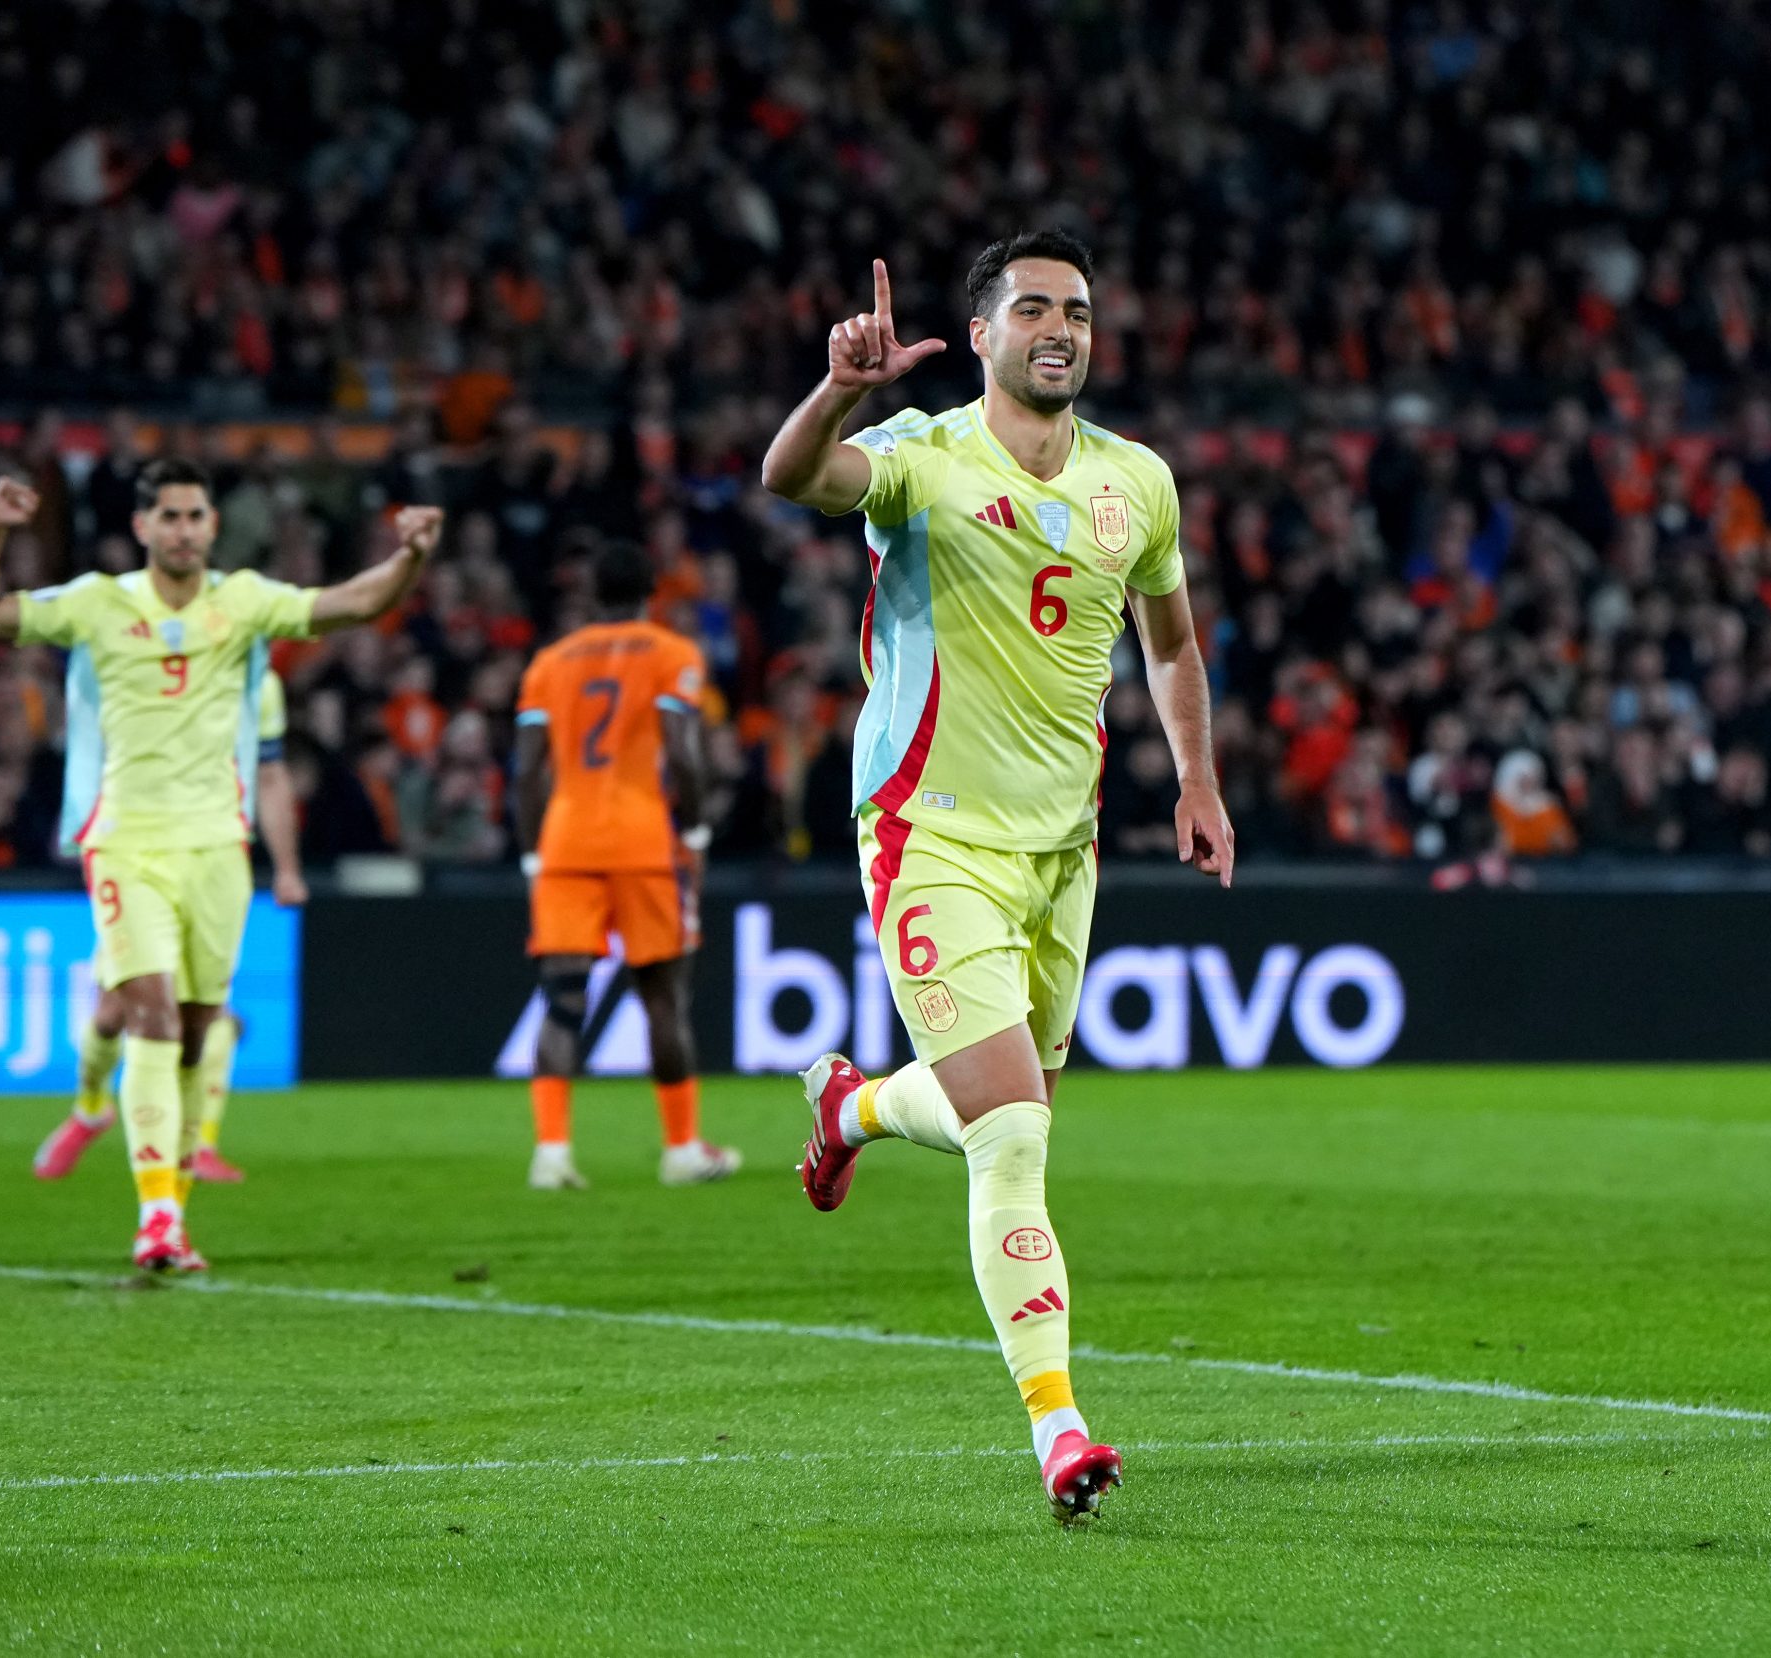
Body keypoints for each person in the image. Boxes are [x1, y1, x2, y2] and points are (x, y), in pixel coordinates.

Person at [759, 237, 1233, 1522]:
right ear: (980, 334)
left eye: (1076, 309)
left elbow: (1172, 640)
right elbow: (792, 473)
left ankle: (851, 1111)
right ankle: (1059, 1426)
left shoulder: (1138, 480)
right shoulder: (922, 456)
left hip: (1061, 851)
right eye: (1031, 308)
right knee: (1014, 1136)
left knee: (995, 1111)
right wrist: (839, 392)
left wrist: (1196, 778)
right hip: (928, 833)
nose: (1059, 328)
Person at [0, 461, 441, 1271]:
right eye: (168, 516)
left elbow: (357, 602)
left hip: (218, 846)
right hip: (126, 842)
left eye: (194, 515)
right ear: (142, 527)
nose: (182, 529)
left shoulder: (244, 600)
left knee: (197, 1034)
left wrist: (412, 556)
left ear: (213, 525)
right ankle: (156, 1222)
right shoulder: (96, 603)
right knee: (150, 1013)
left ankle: (166, 1208)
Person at [511, 541, 735, 1191]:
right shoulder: (673, 655)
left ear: (591, 593)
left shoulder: (550, 663)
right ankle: (681, 1149)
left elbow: (527, 769)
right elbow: (684, 754)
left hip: (567, 842)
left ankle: (551, 1154)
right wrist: (693, 826)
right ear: (651, 593)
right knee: (664, 1000)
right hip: (642, 843)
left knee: (561, 1003)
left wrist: (532, 851)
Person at [32, 665, 307, 1186]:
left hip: (213, 856)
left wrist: (288, 869)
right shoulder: (134, 662)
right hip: (138, 854)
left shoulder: (257, 683)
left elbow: (269, 773)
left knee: (210, 1012)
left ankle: (198, 1147)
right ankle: (91, 1108)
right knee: (114, 1012)